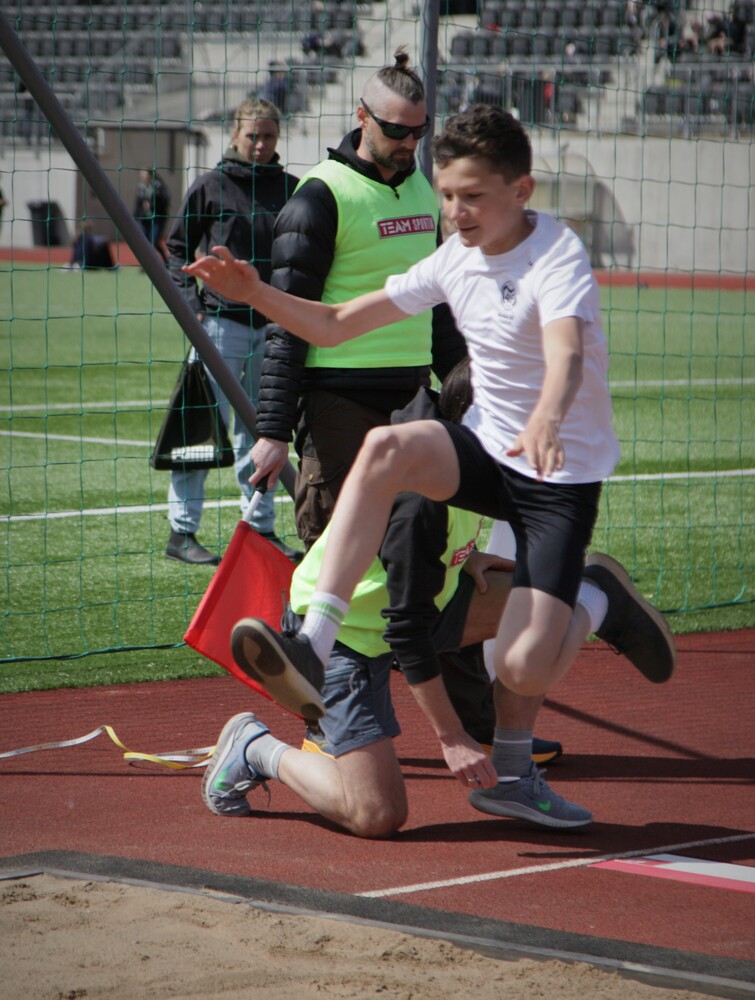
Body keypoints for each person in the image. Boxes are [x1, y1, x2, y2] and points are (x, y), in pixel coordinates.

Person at [184, 104, 678, 822]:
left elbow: (566, 349)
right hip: (484, 457)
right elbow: (337, 322)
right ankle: (313, 642)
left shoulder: (556, 252)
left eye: (471, 195)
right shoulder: (454, 257)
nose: (454, 212)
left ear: (521, 191)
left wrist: (546, 414)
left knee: (522, 663)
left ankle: (592, 598)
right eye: (445, 195)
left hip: (556, 476)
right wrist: (254, 292)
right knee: (387, 448)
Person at [202, 364, 580, 837]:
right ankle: (256, 748)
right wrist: (452, 737)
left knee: (550, 607)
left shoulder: (463, 459)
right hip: (348, 637)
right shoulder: (422, 498)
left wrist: (467, 557)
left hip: (421, 606)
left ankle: (513, 769)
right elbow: (407, 630)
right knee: (377, 814)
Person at [251, 48, 466, 552]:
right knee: (336, 559)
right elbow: (288, 320)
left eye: (419, 130)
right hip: (339, 406)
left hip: (414, 400)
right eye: (396, 131)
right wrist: (274, 431)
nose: (409, 143)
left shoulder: (422, 189)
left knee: (419, 555)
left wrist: (469, 388)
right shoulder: (319, 197)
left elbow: (436, 307)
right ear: (362, 117)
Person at [164, 97, 301, 565]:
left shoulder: (293, 189)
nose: (260, 144)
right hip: (219, 327)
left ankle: (260, 531)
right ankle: (182, 532)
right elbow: (177, 248)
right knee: (199, 428)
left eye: (269, 136)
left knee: (262, 433)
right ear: (235, 134)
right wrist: (193, 310)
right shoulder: (210, 186)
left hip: (275, 330)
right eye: (252, 135)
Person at [134, 169, 171, 264]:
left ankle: (153, 263)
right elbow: (138, 204)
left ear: (150, 176)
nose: (143, 177)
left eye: (144, 175)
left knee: (154, 241)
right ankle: (157, 262)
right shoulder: (141, 188)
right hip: (144, 219)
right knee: (146, 242)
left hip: (157, 218)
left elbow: (165, 202)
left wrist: (151, 205)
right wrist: (135, 217)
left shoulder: (160, 187)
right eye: (141, 175)